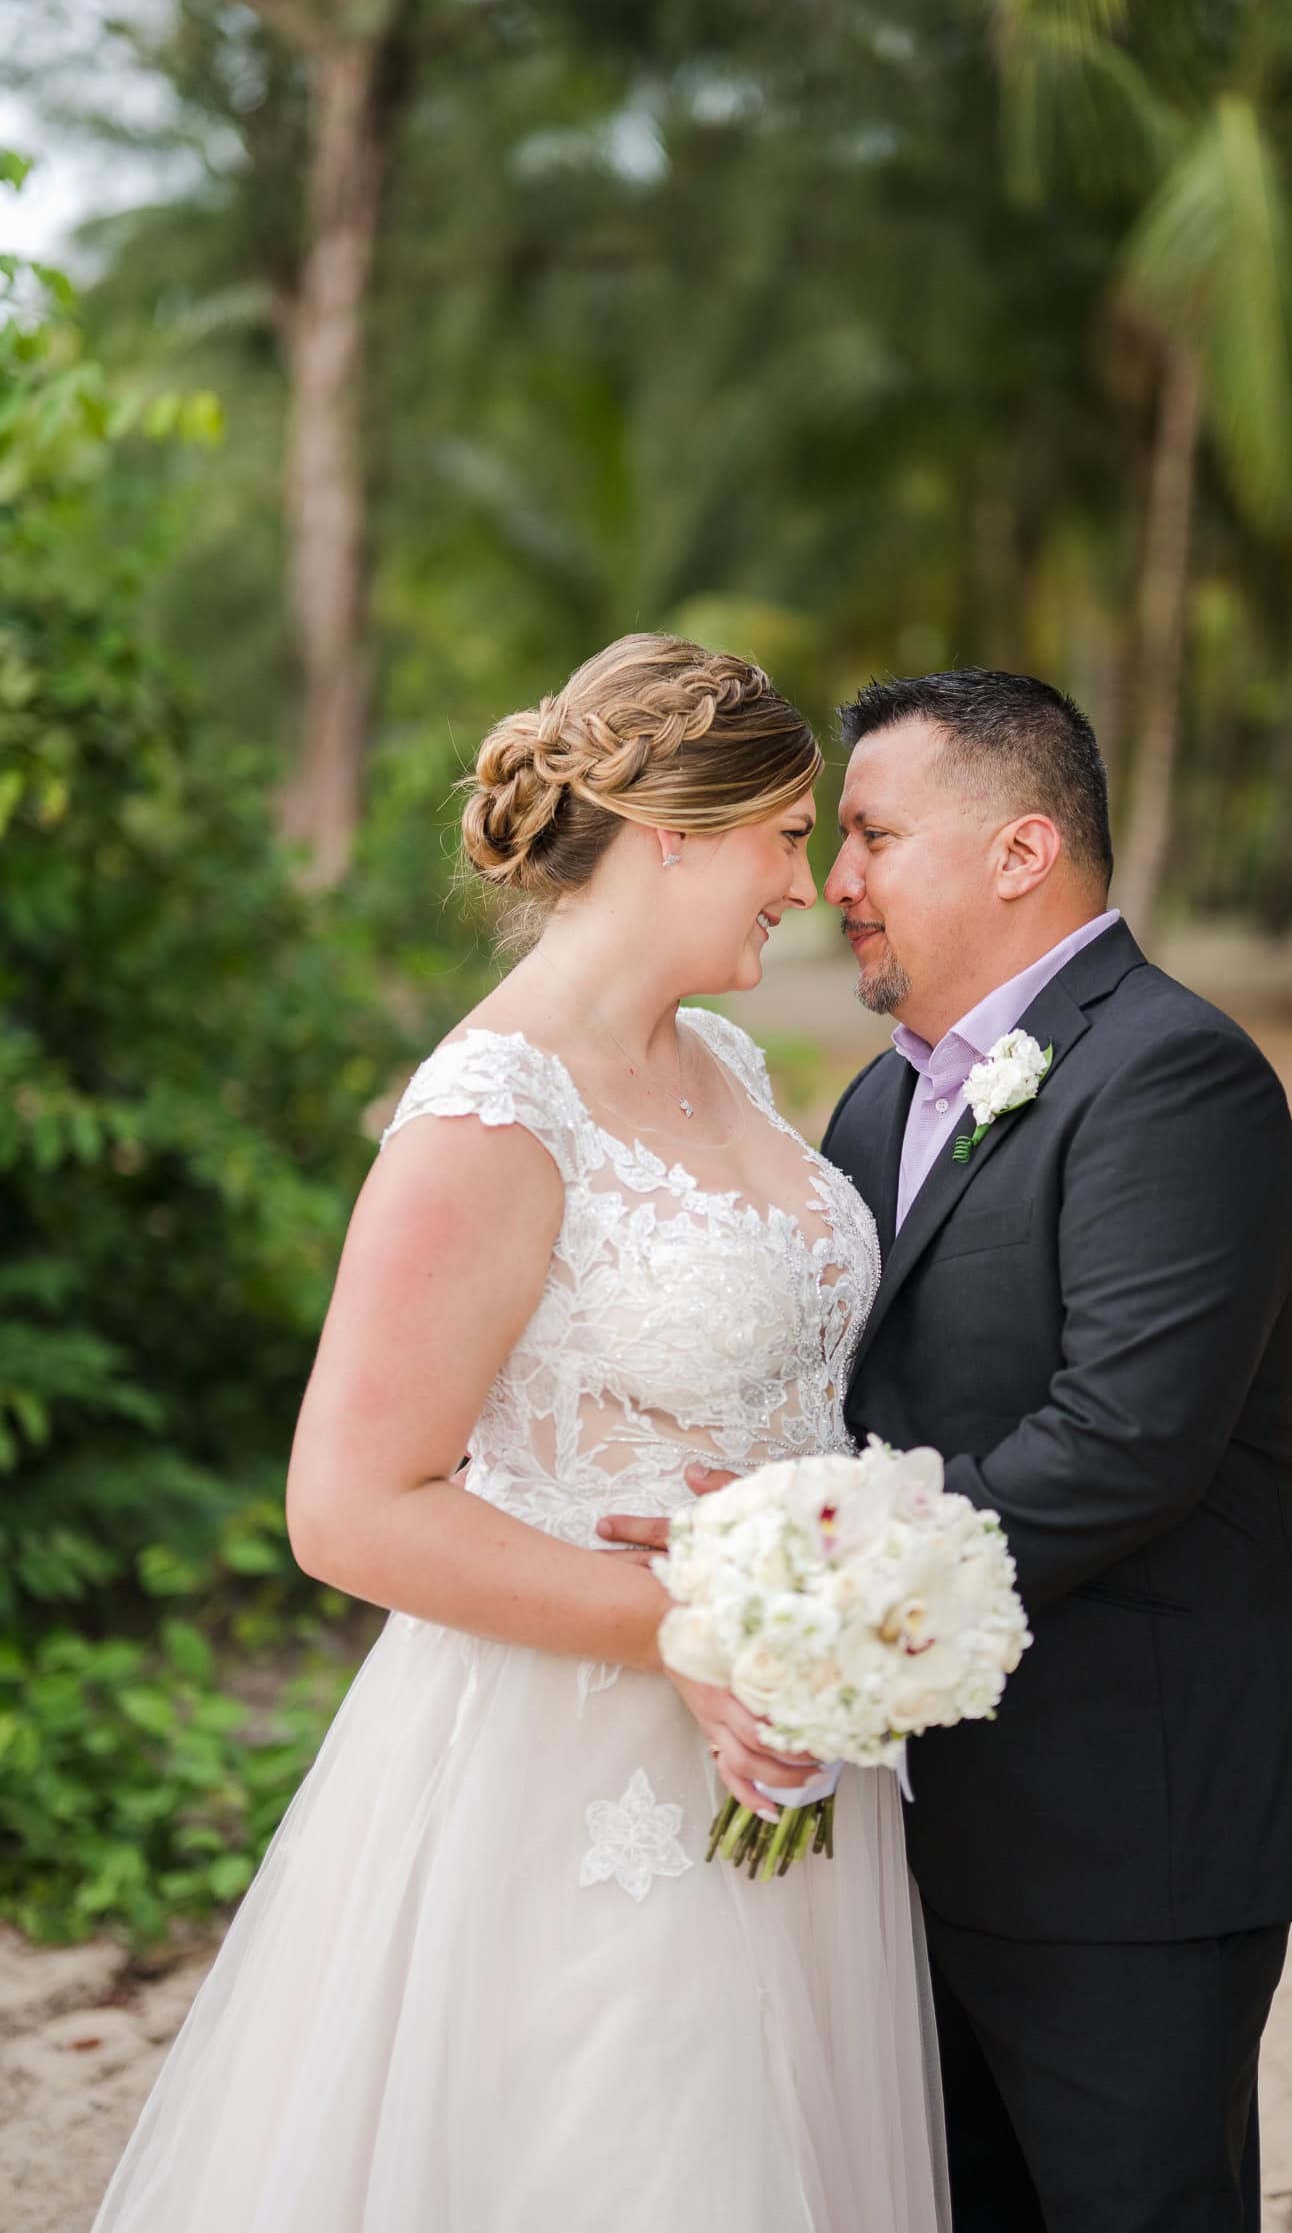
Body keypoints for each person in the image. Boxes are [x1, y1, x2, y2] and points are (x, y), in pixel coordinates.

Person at [89, 634, 945, 2233]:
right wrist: (690, 1621)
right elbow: (348, 1508)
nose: (807, 876)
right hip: (575, 1774)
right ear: (678, 830)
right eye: (785, 830)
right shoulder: (492, 1110)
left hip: (782, 1750)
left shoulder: (725, 1062)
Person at [605, 667, 1292, 2233]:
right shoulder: (881, 1103)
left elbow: (1125, 1439)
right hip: (904, 1825)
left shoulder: (1173, 1076)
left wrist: (814, 1574)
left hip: (1121, 1827)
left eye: (870, 836)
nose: (834, 884)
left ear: (1021, 851)